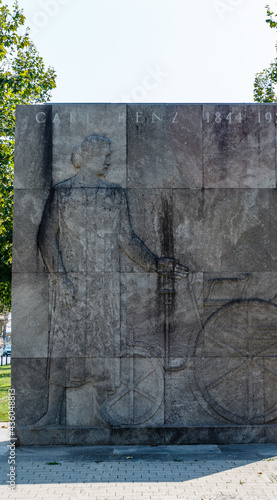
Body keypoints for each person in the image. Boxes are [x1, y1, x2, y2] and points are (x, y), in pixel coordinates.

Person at [35, 135, 188, 426]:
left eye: (109, 155)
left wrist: (155, 263)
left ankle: (101, 411)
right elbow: (46, 238)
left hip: (105, 284)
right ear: (87, 156)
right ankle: (51, 414)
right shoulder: (62, 193)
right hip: (71, 283)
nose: (108, 160)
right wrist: (61, 278)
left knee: (104, 344)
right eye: (104, 155)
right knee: (65, 343)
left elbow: (126, 240)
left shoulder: (115, 194)